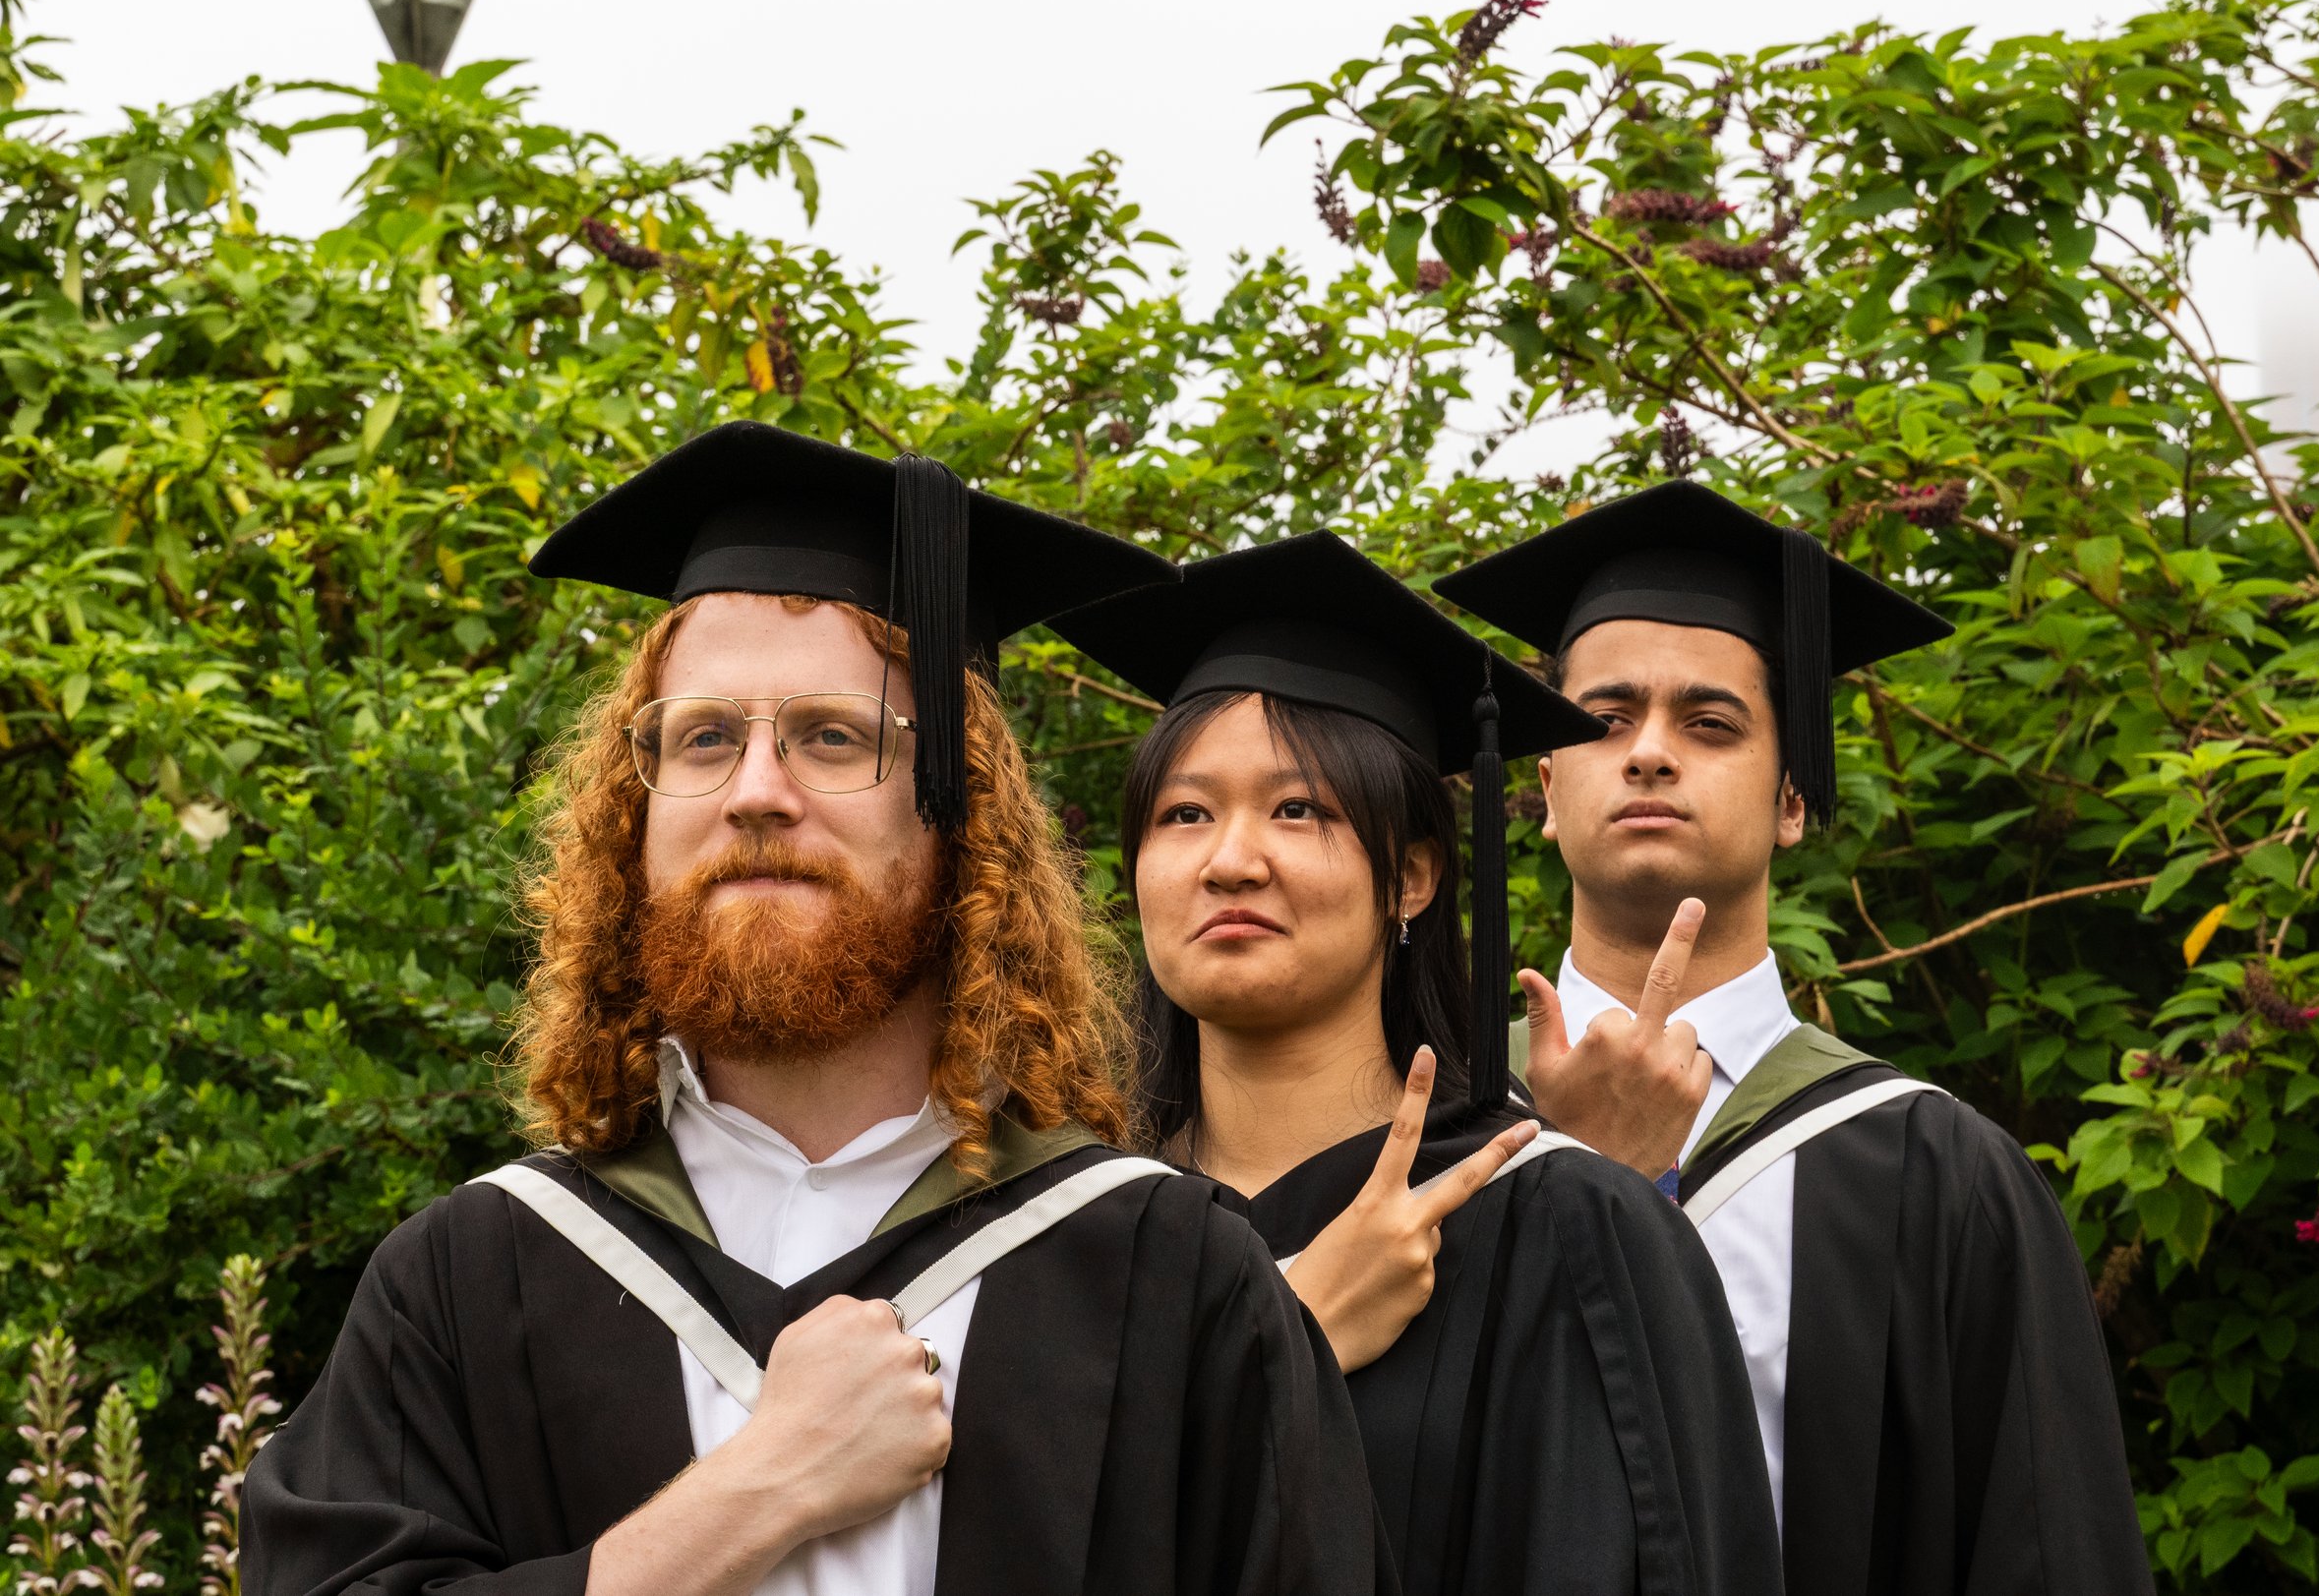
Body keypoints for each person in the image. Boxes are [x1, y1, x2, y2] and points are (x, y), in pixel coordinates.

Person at [244, 423, 1392, 1596]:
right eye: (700, 739)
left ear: (964, 809)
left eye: (830, 736)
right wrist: (762, 1487)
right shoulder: (470, 1277)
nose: (753, 792)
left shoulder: (1167, 1271)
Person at [1434, 482, 2154, 1596]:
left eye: (1709, 723)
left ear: (1791, 800)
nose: (1649, 754)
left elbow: (2047, 1549)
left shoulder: (1935, 1175)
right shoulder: (1426, 1137)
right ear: (1541, 779)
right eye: (1604, 719)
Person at [1053, 530, 1785, 1596]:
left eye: (1298, 807)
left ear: (1411, 876)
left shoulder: (1563, 1226)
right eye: (1184, 813)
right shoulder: (1067, 1233)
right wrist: (1291, 1336)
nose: (1229, 859)